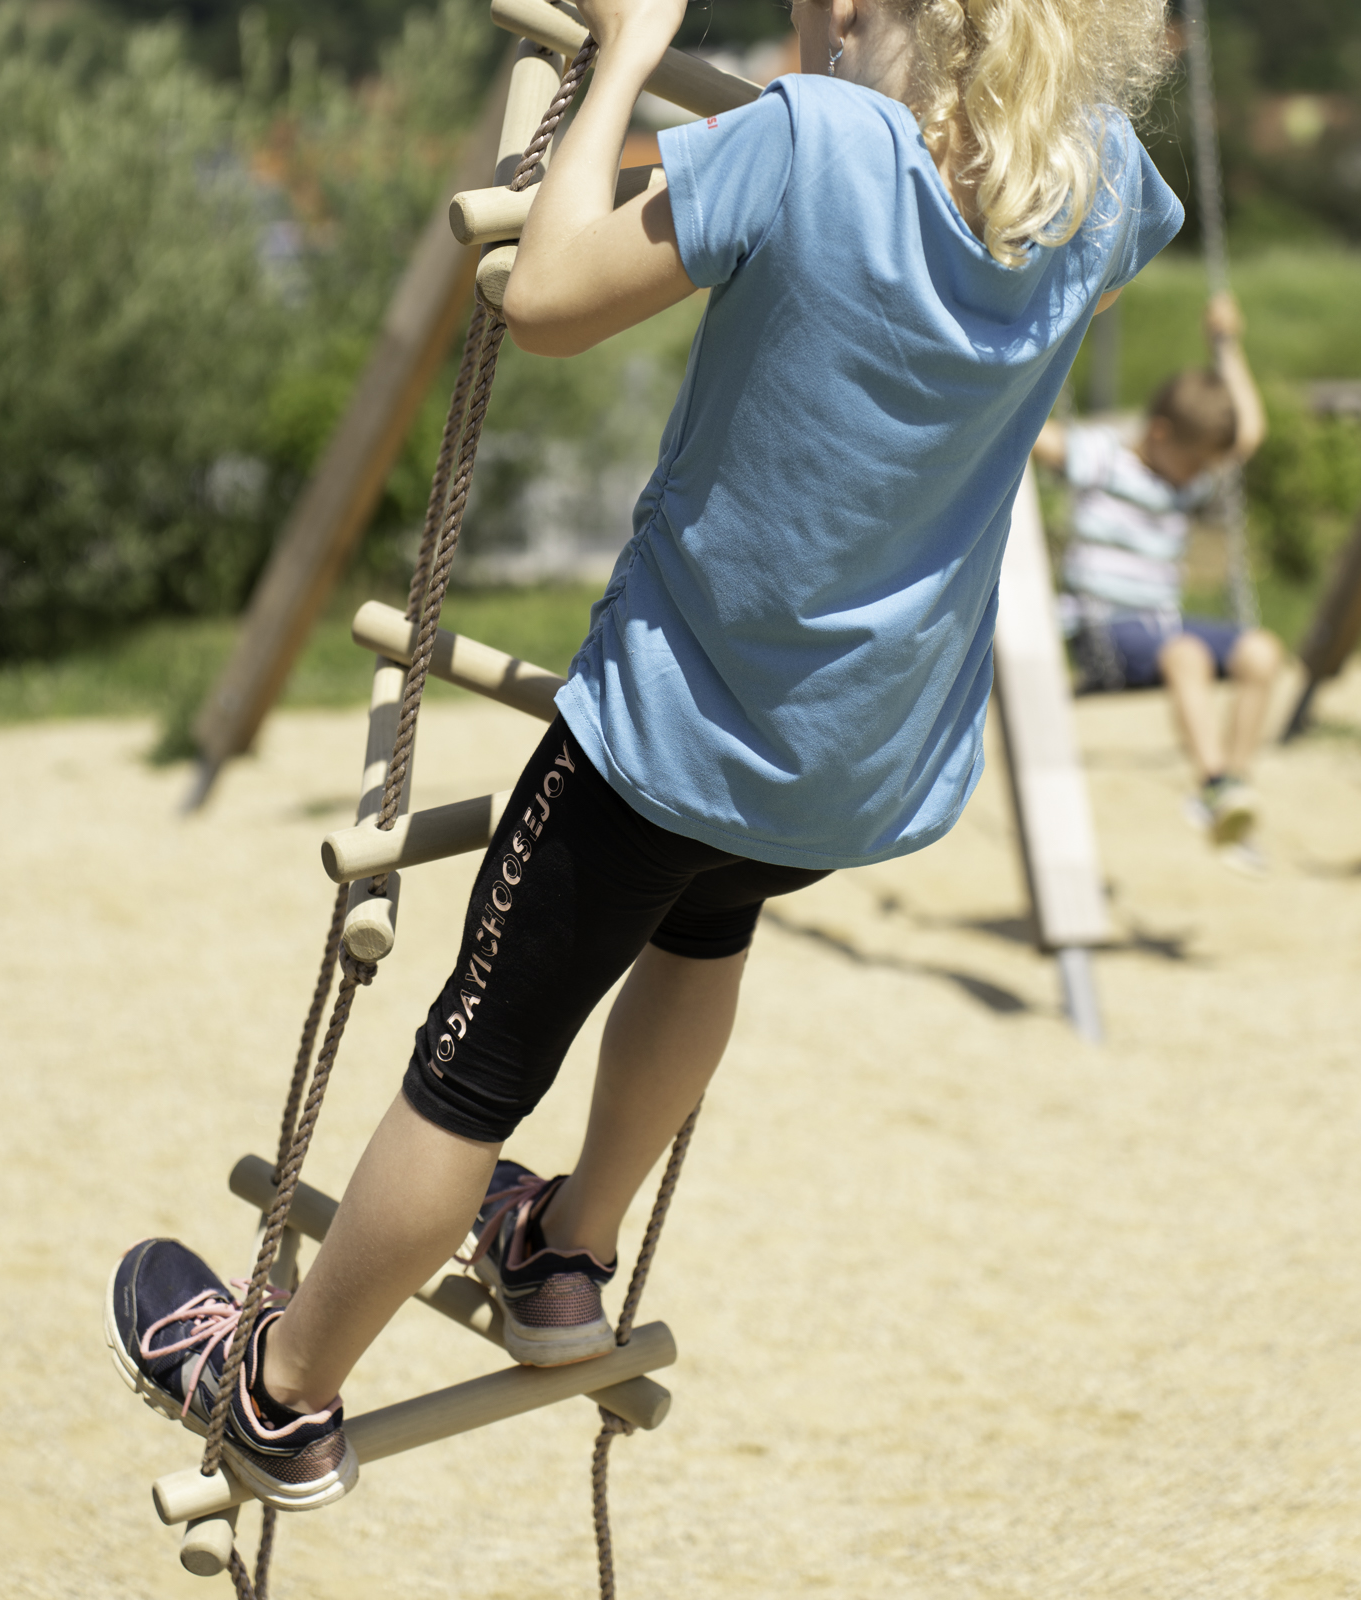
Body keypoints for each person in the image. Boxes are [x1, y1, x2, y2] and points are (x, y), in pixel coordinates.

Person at [107, 0, 1180, 1508]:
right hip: (850, 764)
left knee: (474, 1068)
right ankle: (567, 1256)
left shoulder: (803, 143)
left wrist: (621, 54)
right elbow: (983, 180)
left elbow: (541, 296)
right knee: (707, 925)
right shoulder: (1104, 179)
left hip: (666, 734)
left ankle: (279, 1394)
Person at [1032, 294, 1282, 851]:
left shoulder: (1183, 479)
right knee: (1186, 655)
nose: (1202, 475)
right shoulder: (1103, 459)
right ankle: (1213, 782)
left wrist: (1226, 347)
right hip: (1101, 633)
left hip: (1161, 626)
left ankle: (1232, 787)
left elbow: (1249, 434)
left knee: (1262, 652)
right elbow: (1033, 437)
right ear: (1162, 434)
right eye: (1196, 460)